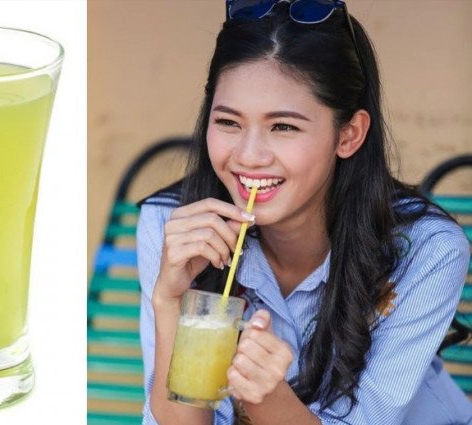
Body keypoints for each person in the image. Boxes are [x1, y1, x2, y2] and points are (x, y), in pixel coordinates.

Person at [137, 1, 472, 424]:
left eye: (284, 127)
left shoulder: (425, 250)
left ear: (349, 134)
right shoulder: (173, 227)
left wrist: (265, 396)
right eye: (228, 122)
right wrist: (170, 305)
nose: (248, 156)